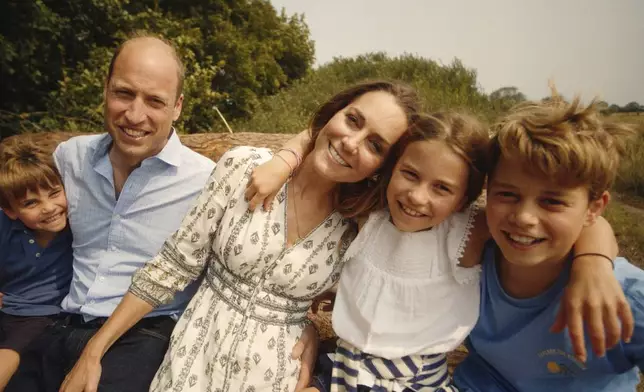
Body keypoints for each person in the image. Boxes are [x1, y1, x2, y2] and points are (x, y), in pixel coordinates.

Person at [60, 80, 422, 391]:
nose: (351, 142)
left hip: (277, 375)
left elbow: (374, 319)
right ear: (334, 113)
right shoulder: (245, 166)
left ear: (383, 167)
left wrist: (311, 330)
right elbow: (172, 266)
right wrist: (95, 349)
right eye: (353, 120)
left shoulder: (357, 227)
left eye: (375, 145)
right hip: (192, 362)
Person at [245, 109, 629, 392]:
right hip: (343, 367)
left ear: (466, 196)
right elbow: (323, 137)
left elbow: (581, 221)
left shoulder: (468, 231)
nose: (417, 197)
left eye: (442, 188)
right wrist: (284, 160)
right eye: (409, 174)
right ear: (391, 168)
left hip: (411, 382)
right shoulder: (372, 212)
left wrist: (593, 264)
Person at [5, 33, 220, 392]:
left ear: (177, 107)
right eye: (124, 93)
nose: (135, 115)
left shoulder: (205, 182)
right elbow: (19, 211)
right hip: (59, 322)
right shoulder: (69, 159)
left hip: (146, 333)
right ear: (105, 89)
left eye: (154, 101)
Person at [452, 93, 644, 391]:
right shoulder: (470, 252)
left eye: (552, 201)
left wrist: (594, 263)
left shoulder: (624, 298)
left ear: (594, 208)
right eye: (507, 194)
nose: (524, 217)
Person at [0, 139, 73, 390]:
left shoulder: (76, 224)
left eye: (54, 193)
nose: (49, 208)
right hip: (7, 305)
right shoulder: (5, 226)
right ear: (10, 211)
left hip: (40, 313)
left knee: (10, 354)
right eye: (31, 203)